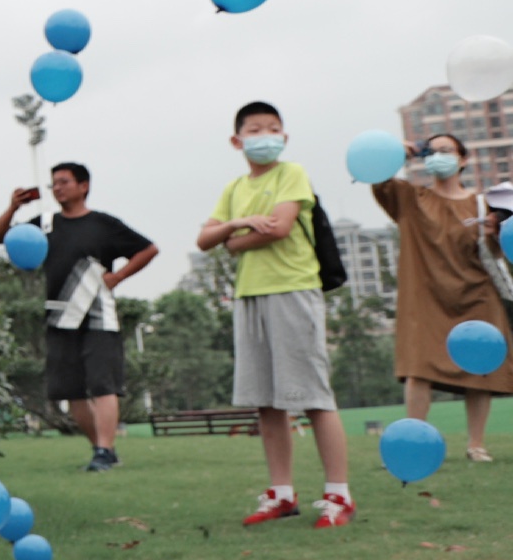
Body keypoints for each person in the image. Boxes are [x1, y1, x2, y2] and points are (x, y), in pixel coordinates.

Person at [201, 102, 353, 527]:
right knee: (267, 402)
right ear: (237, 140)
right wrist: (240, 225)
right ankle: (282, 494)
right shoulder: (233, 188)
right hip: (249, 295)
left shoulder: (292, 174)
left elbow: (281, 228)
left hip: (293, 290)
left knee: (314, 397)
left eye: (273, 129)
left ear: (284, 138)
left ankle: (339, 495)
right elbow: (204, 238)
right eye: (255, 129)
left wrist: (232, 235)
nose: (265, 135)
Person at [0, 164, 158, 470]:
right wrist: (13, 208)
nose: (58, 188)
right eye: (54, 183)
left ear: (84, 186)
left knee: (103, 384)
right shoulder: (45, 224)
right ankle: (101, 449)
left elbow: (148, 249)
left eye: (64, 182)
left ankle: (105, 451)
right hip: (60, 316)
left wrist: (118, 276)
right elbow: (0, 237)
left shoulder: (103, 224)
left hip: (98, 315)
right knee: (71, 389)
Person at [365, 131, 510, 464]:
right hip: (424, 296)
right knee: (419, 368)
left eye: (447, 150)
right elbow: (379, 181)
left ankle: (477, 445)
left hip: (476, 295)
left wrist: (494, 235)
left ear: (463, 159)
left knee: (479, 372)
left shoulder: (484, 202)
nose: (439, 156)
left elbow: (500, 251)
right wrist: (398, 155)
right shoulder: (410, 197)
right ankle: (415, 441)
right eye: (432, 151)